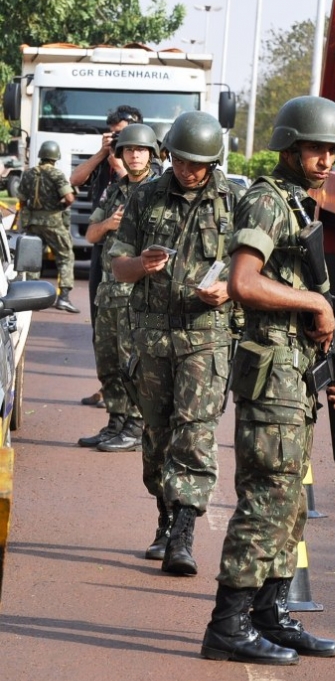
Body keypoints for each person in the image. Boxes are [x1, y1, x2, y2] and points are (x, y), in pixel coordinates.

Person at [201, 96, 335, 666]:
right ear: (290, 147)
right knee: (267, 497)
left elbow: (313, 310)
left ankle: (271, 614)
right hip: (271, 377)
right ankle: (227, 624)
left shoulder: (301, 206)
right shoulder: (267, 201)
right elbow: (243, 281)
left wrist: (334, 364)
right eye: (316, 149)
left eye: (333, 151)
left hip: (296, 373)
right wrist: (312, 298)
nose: (326, 160)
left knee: (289, 502)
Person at [110, 111, 241, 573]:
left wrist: (229, 287)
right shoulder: (146, 196)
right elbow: (116, 264)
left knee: (196, 431)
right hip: (152, 337)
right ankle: (165, 519)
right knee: (157, 435)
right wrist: (139, 266)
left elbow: (254, 269)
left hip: (206, 337)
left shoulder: (233, 201)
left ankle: (183, 534)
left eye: (198, 163)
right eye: (182, 160)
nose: (189, 170)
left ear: (213, 161)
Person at [77, 123, 161, 453]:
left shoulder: (158, 192)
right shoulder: (114, 190)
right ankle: (116, 422)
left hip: (139, 295)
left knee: (134, 364)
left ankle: (136, 426)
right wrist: (109, 223)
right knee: (108, 362)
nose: (135, 155)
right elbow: (89, 235)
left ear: (152, 154)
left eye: (141, 150)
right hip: (109, 293)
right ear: (121, 154)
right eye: (129, 149)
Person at [71, 106, 144, 406]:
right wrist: (103, 154)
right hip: (102, 247)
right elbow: (76, 179)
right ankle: (108, 387)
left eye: (124, 132)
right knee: (101, 322)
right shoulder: (106, 159)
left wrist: (120, 158)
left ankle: (128, 406)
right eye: (115, 132)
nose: (119, 138)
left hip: (129, 256)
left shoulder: (140, 164)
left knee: (128, 335)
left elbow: (132, 184)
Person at [17, 140, 80, 313]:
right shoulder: (57, 175)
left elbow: (22, 199)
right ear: (55, 157)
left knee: (33, 258)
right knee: (65, 256)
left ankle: (31, 298)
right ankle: (64, 298)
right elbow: (69, 198)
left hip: (33, 222)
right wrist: (59, 206)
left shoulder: (28, 174)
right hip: (54, 223)